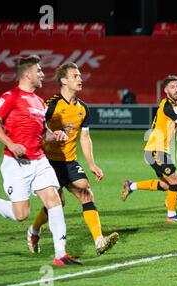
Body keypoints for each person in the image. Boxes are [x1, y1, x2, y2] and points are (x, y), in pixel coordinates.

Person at [0, 55, 81, 266]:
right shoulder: (11, 95)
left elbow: (42, 134)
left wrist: (55, 134)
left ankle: (61, 254)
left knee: (55, 200)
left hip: (39, 160)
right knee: (20, 214)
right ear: (27, 74)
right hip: (16, 163)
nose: (42, 74)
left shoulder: (40, 101)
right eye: (39, 71)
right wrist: (11, 144)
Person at [27, 62, 119, 256]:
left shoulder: (83, 108)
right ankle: (34, 230)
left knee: (86, 194)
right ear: (63, 80)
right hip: (48, 163)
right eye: (75, 76)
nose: (80, 79)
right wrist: (51, 135)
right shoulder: (50, 105)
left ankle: (99, 240)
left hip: (69, 161)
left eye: (80, 75)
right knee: (57, 203)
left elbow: (85, 137)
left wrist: (92, 164)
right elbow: (37, 130)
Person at [120, 75, 177, 222]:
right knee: (176, 181)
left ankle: (131, 186)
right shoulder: (167, 106)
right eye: (172, 87)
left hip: (159, 150)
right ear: (165, 90)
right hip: (155, 150)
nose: (176, 90)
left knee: (166, 185)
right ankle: (171, 215)